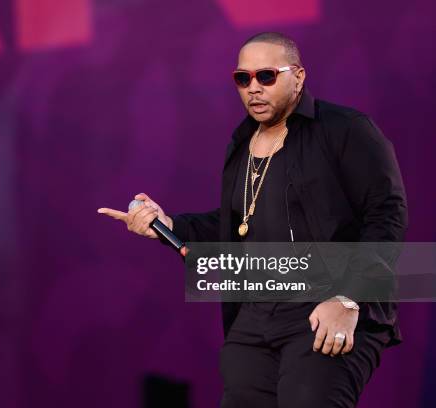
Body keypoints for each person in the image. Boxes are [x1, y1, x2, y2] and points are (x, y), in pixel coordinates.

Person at [97, 32, 407, 407]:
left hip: (325, 306)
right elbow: (237, 226)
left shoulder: (346, 129)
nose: (253, 88)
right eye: (242, 79)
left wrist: (349, 298)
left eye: (266, 76)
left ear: (299, 76)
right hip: (255, 317)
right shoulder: (241, 143)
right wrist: (169, 226)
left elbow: (387, 215)